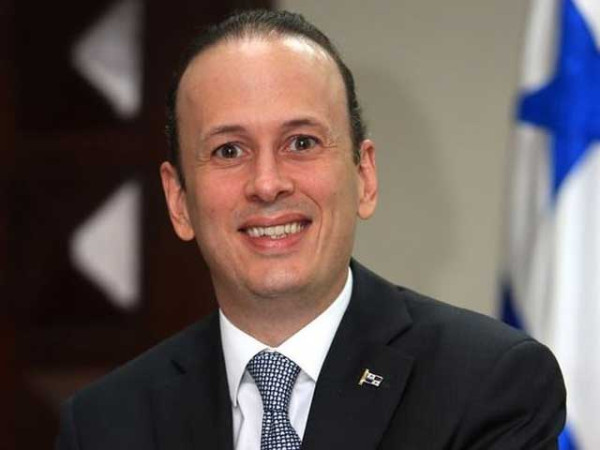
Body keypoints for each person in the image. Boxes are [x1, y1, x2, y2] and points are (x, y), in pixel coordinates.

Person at [55, 9, 566, 450]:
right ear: (179, 201)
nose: (267, 183)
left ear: (364, 177)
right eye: (229, 150)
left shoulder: (489, 385)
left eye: (301, 143)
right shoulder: (105, 426)